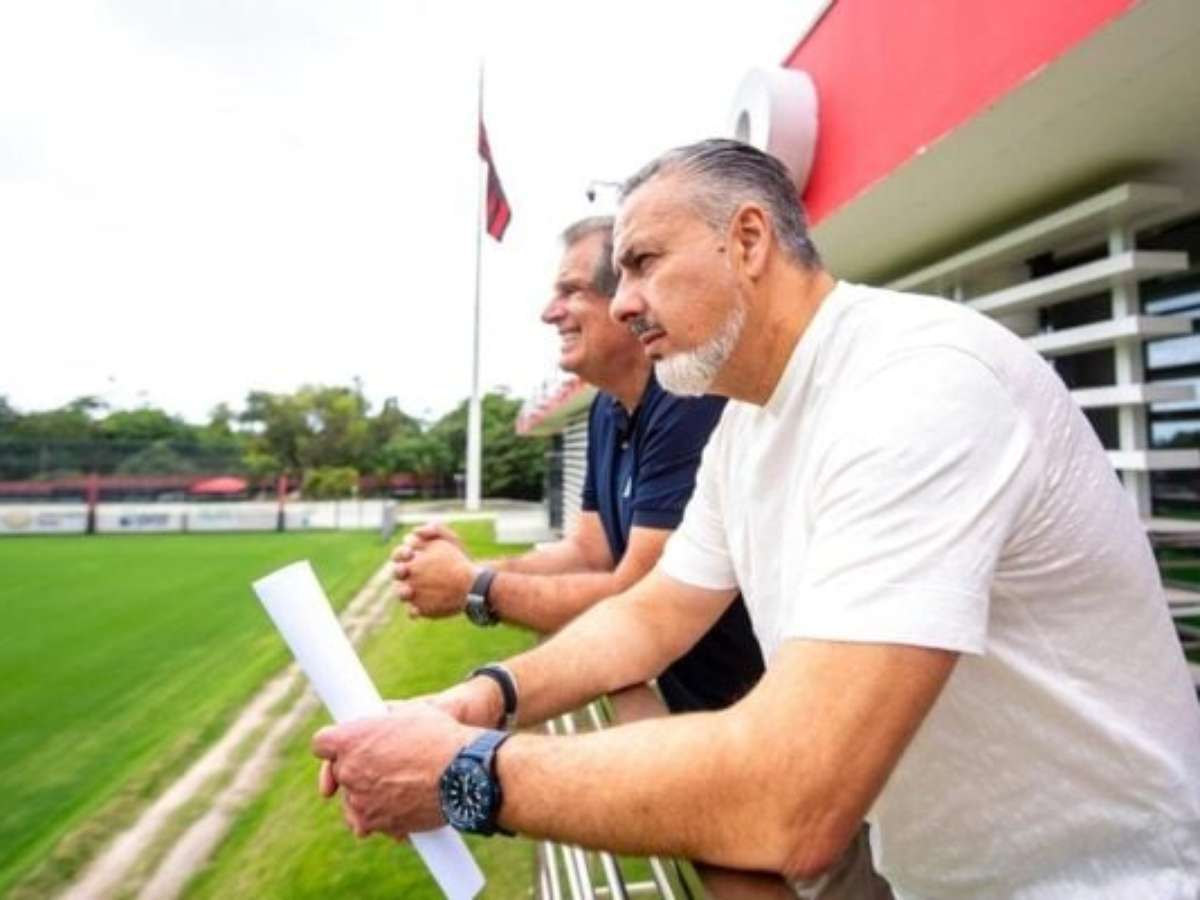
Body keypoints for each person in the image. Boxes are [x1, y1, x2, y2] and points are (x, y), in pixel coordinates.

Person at [313, 140, 1200, 897]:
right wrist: (477, 701)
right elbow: (651, 615)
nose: (621, 301)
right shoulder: (747, 423)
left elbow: (791, 800)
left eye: (642, 262)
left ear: (747, 240)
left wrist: (461, 773)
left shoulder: (920, 386)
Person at [392, 216, 764, 714]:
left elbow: (636, 593)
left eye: (571, 291)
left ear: (627, 300)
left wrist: (473, 587)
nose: (550, 313)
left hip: (750, 713)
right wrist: (471, 570)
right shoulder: (605, 409)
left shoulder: (687, 402)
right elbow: (590, 552)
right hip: (688, 703)